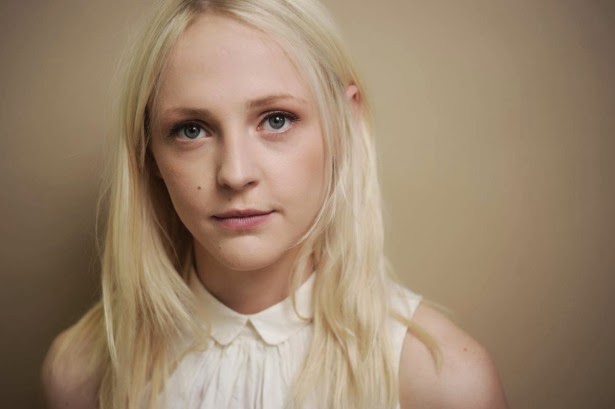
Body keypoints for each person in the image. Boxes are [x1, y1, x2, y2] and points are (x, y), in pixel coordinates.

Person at [42, 0, 509, 408]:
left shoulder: (445, 383)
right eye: (191, 130)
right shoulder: (82, 373)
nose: (235, 173)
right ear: (150, 153)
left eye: (277, 119)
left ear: (344, 124)